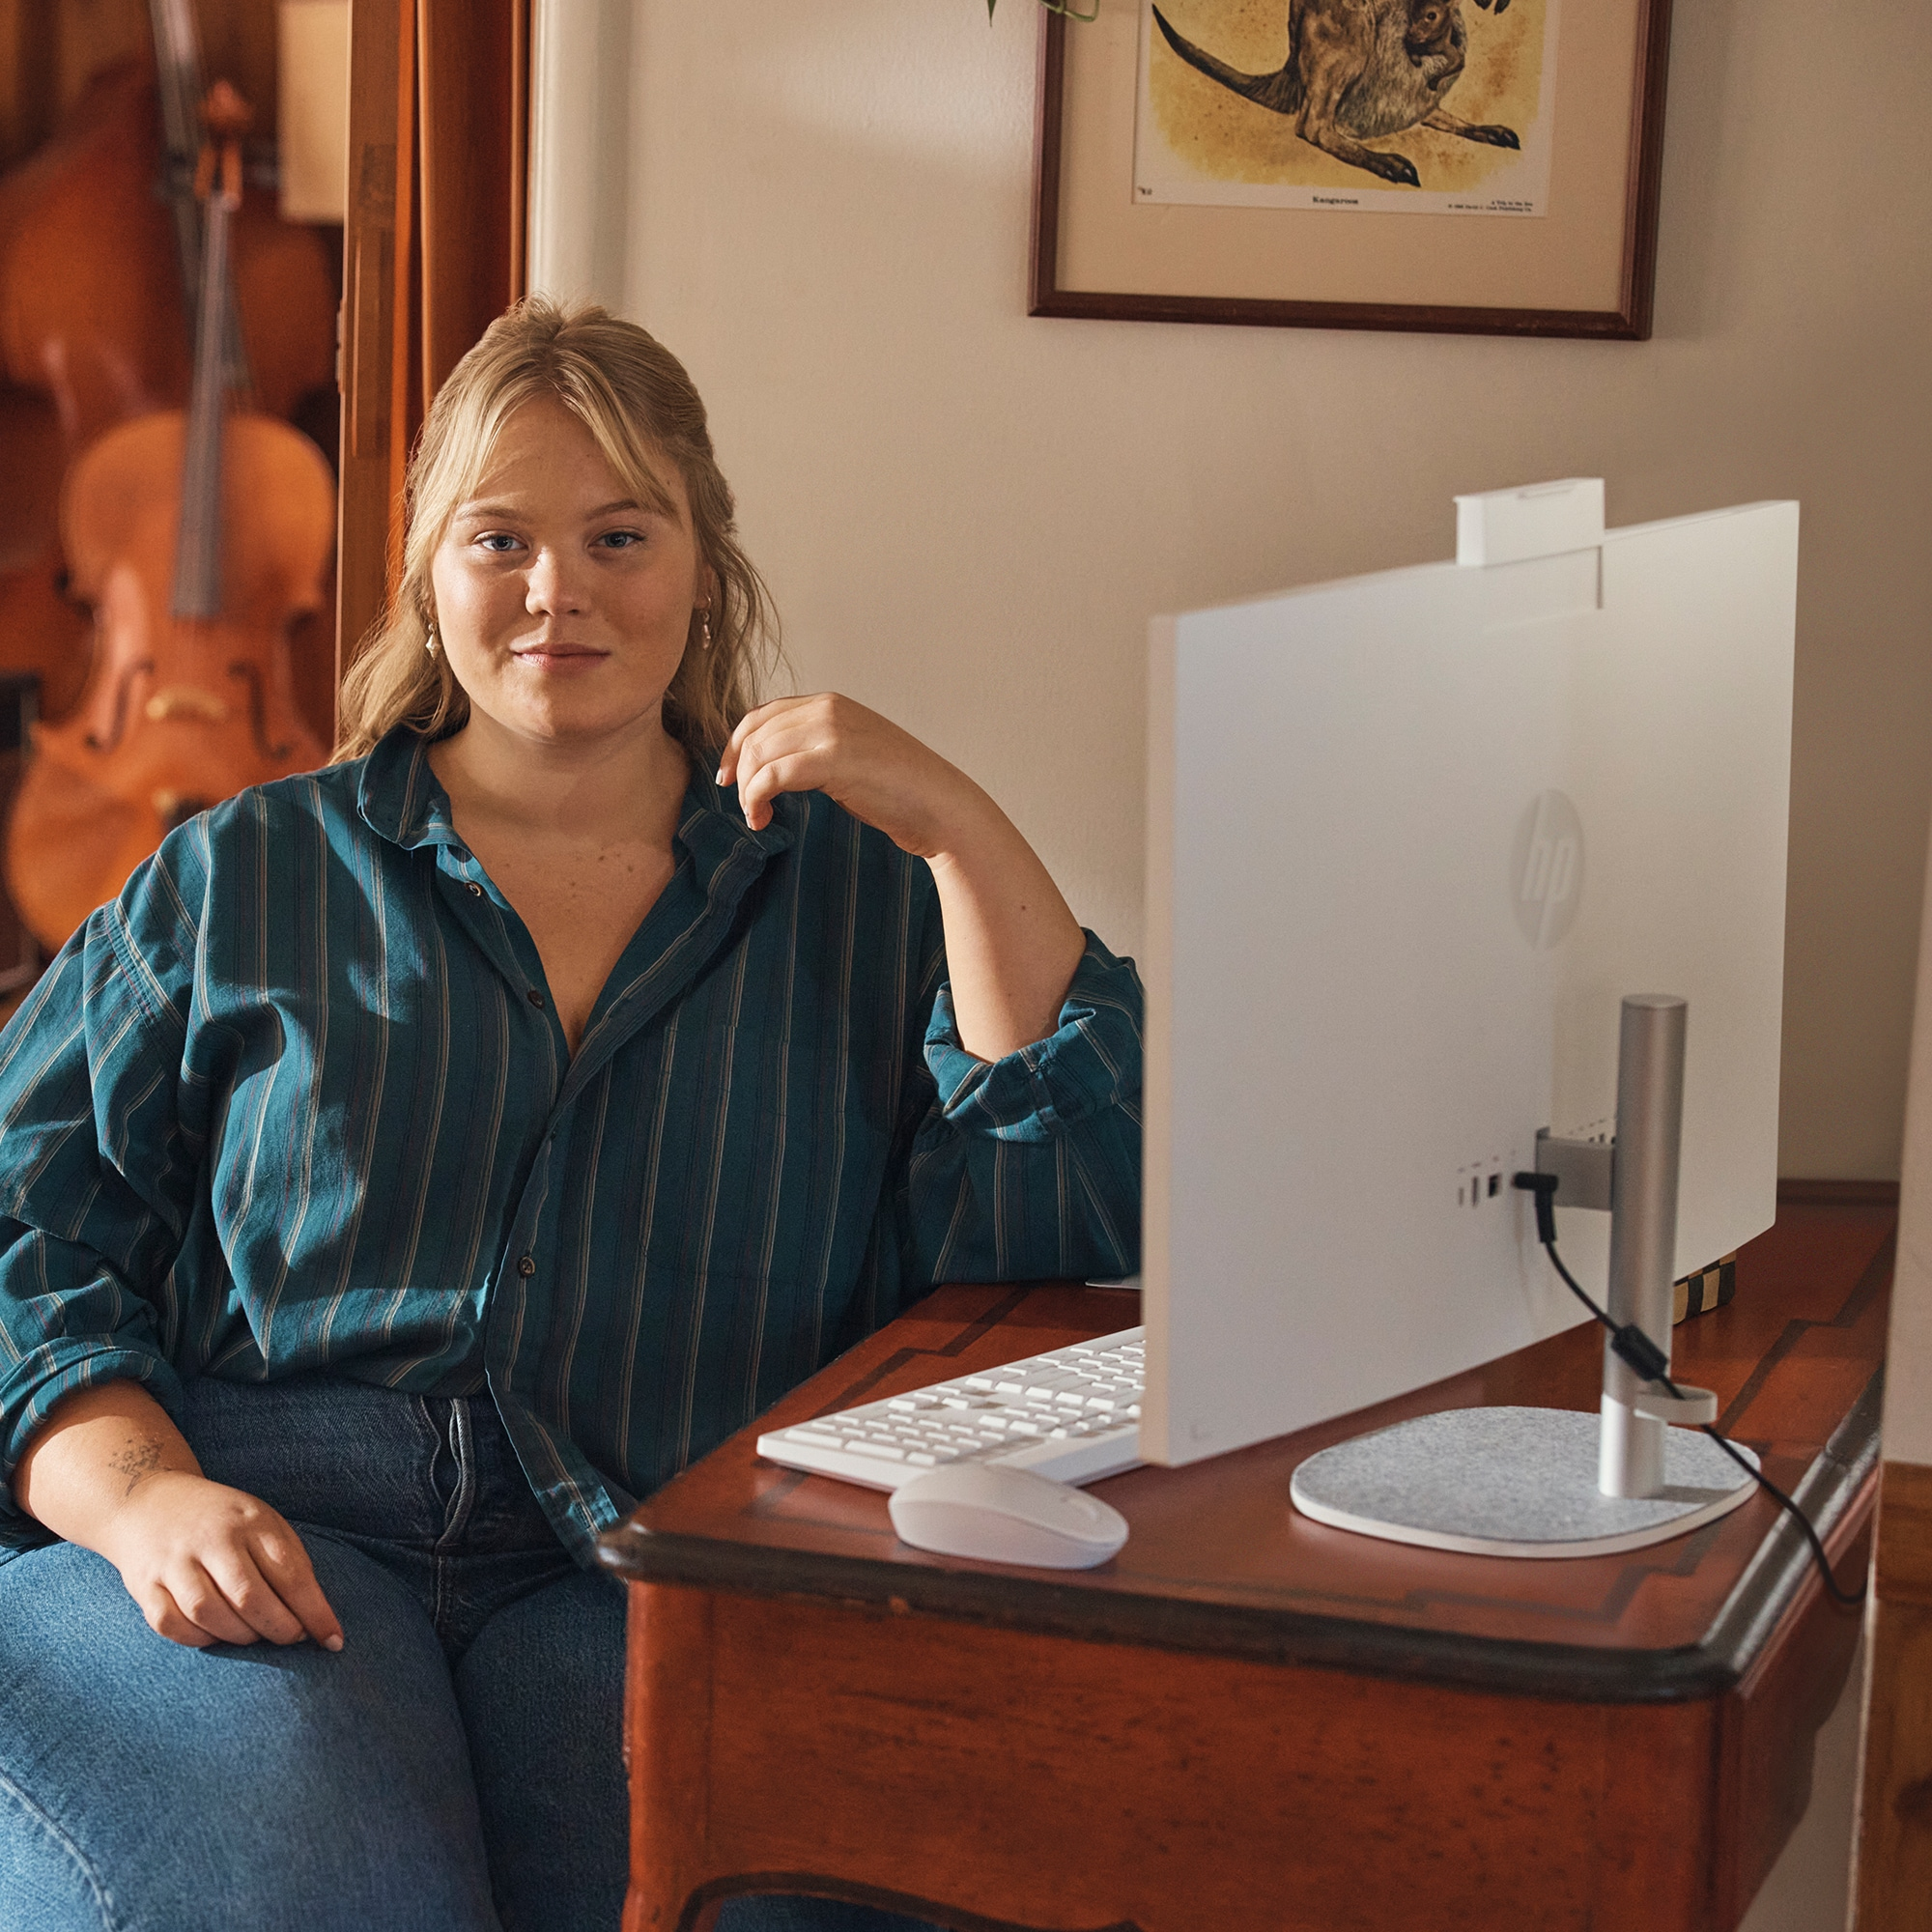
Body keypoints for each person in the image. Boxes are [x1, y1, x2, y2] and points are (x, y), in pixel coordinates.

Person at [0, 298, 1143, 1932]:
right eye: (502, 538)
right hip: (278, 1516)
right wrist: (139, 1498)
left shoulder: (861, 893)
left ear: (704, 563)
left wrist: (958, 827)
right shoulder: (243, 873)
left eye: (620, 534)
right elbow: (20, 1225)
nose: (560, 591)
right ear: (429, 568)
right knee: (286, 1889)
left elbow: (1076, 1222)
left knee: (783, 1891)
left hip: (660, 1550)